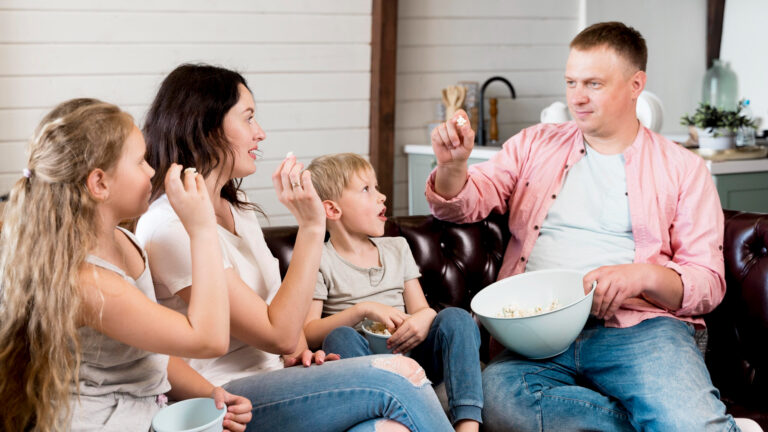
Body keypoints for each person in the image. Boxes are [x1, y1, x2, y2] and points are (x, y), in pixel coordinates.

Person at [427, 22, 739, 431]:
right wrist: (452, 168)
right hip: (537, 336)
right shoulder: (533, 145)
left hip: (640, 329)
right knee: (497, 400)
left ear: (635, 84)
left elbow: (708, 282)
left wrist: (640, 277)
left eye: (593, 83)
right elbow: (462, 205)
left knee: (690, 422)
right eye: (571, 82)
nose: (577, 97)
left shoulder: (683, 169)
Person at [135, 64, 453, 432]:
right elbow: (277, 332)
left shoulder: (236, 208)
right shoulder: (171, 226)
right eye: (249, 119)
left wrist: (301, 351)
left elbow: (281, 311)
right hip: (226, 398)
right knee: (402, 374)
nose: (260, 133)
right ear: (207, 127)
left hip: (275, 378)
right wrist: (312, 226)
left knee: (389, 429)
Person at [0, 99, 252, 432]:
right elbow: (210, 339)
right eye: (140, 162)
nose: (152, 170)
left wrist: (211, 393)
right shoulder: (87, 283)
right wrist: (202, 229)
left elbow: (150, 353)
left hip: (147, 413)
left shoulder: (124, 241)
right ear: (100, 184)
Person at [302, 153, 483, 432]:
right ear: (333, 210)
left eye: (377, 187)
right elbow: (309, 331)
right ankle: (393, 413)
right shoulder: (320, 260)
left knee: (457, 318)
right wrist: (363, 310)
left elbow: (421, 309)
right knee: (339, 337)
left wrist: (425, 317)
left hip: (413, 354)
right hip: (366, 365)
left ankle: (467, 426)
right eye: (366, 189)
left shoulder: (397, 247)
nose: (381, 196)